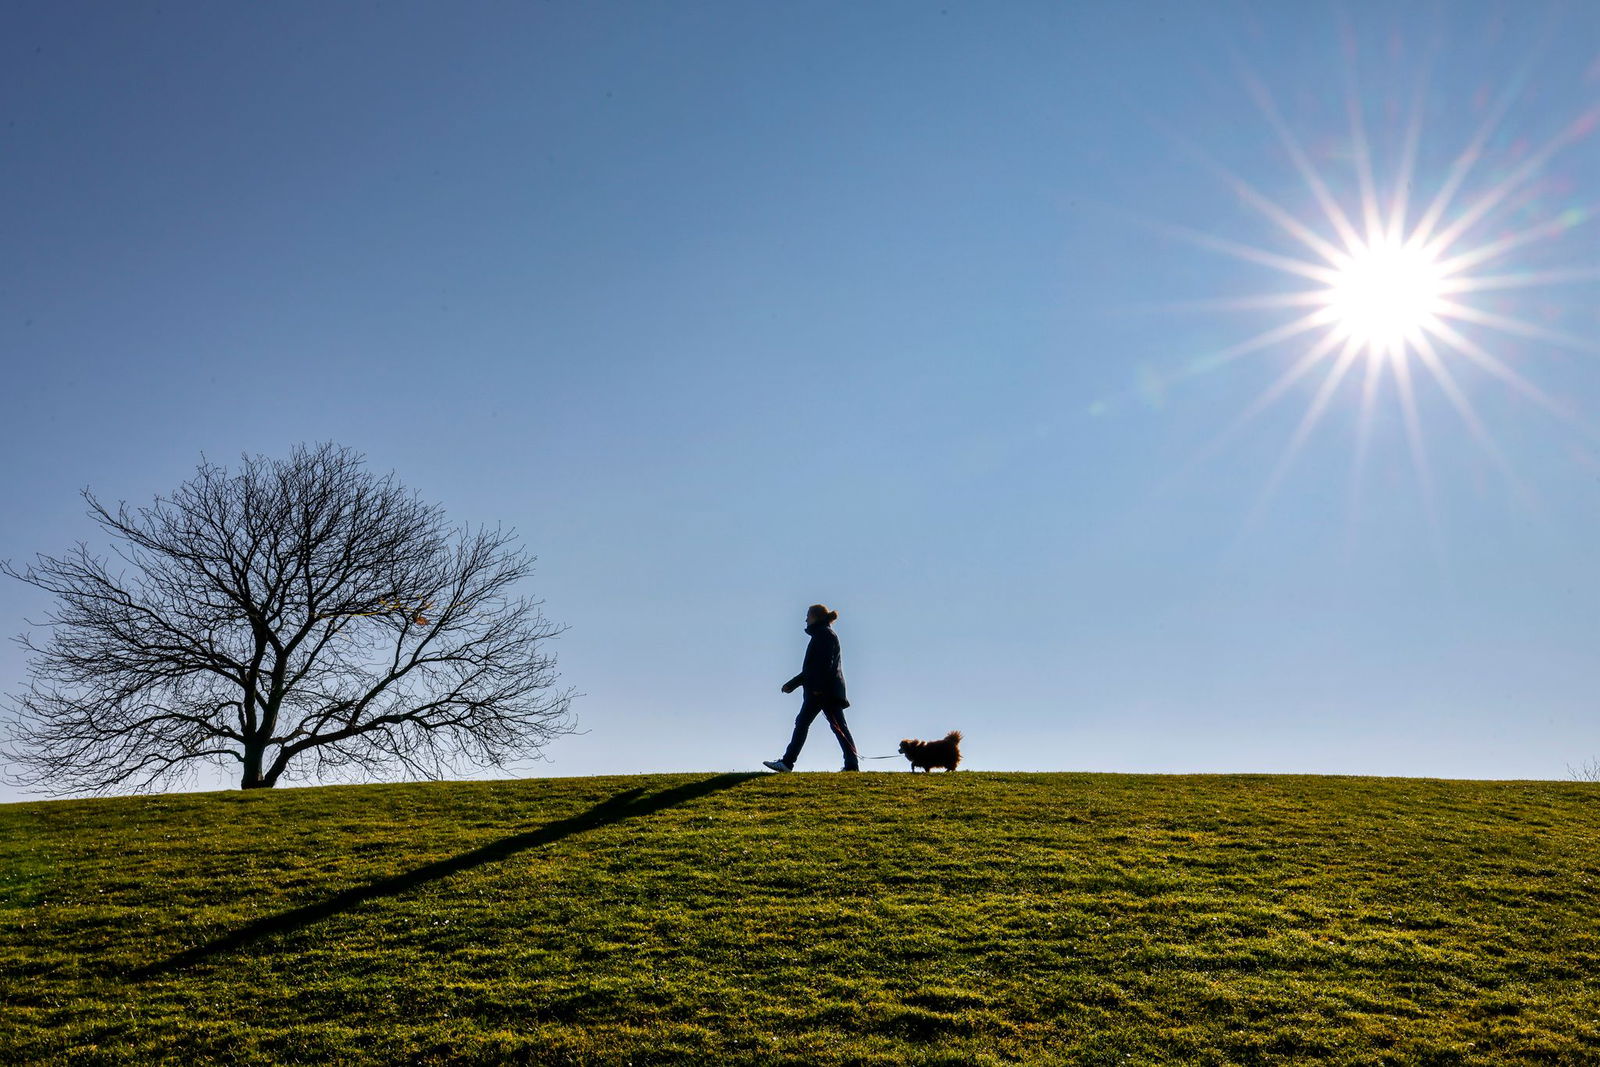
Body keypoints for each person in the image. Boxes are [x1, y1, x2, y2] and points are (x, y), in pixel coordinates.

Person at [764, 603, 859, 772]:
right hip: (822, 691)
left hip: (823, 692)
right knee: (813, 723)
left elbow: (824, 665)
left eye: (808, 615)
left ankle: (788, 763)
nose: (805, 619)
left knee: (832, 726)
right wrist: (792, 684)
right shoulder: (822, 635)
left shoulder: (824, 635)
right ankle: (850, 764)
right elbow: (811, 670)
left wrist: (818, 688)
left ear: (815, 616)